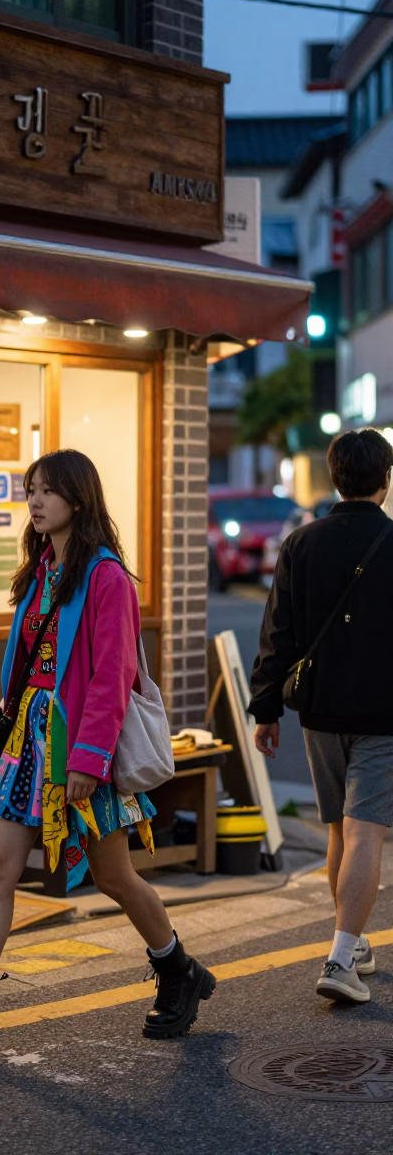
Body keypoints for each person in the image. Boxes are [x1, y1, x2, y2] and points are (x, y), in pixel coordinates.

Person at [0, 449, 215, 1054]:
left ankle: (179, 972)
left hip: (77, 747)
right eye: (30, 490)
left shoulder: (107, 577)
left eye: (46, 491)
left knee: (114, 875)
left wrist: (87, 760)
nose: (35, 501)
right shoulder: (41, 570)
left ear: (78, 498)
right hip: (30, 741)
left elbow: (112, 675)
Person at [249, 428, 393, 1004]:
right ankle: (339, 959)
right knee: (366, 830)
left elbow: (277, 633)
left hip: (319, 708)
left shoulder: (302, 543)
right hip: (384, 711)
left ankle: (352, 943)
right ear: (384, 480)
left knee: (339, 827)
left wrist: (265, 710)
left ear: (335, 478)